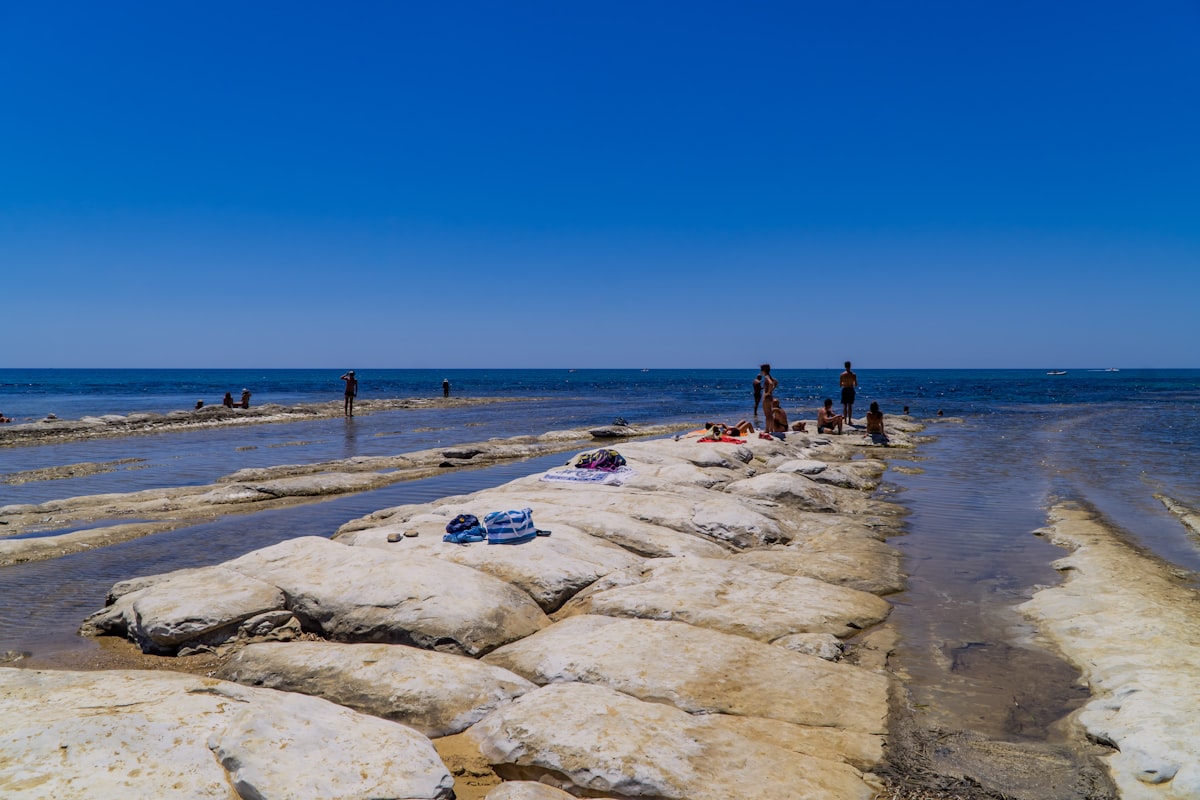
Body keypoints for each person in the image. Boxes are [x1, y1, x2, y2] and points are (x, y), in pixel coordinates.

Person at [839, 361, 858, 426]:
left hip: (845, 389)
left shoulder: (842, 374)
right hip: (851, 389)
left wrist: (844, 383)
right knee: (850, 406)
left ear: (845, 366)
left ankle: (845, 421)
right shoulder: (853, 375)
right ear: (850, 366)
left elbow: (840, 385)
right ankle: (849, 420)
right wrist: (851, 382)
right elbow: (856, 384)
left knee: (844, 406)